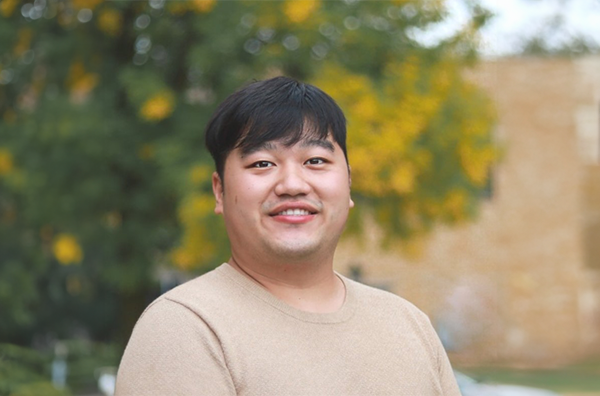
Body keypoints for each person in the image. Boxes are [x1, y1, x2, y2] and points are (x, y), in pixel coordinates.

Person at [115, 76, 461, 395]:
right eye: (262, 164)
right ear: (219, 192)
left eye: (315, 161)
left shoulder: (408, 325)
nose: (293, 185)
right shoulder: (185, 328)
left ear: (349, 183)